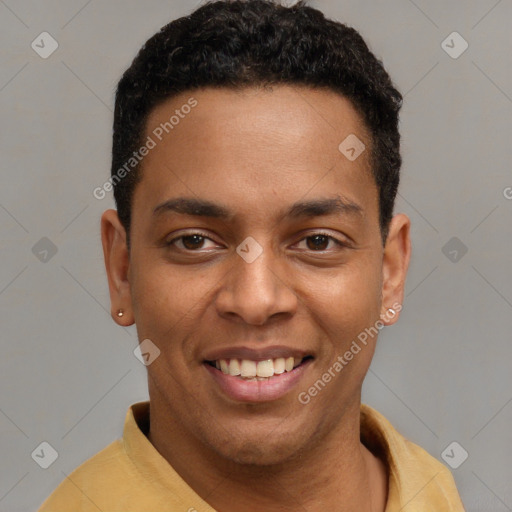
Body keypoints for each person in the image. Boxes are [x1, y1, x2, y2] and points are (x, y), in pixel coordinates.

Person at [39, 1, 465, 510]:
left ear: (391, 271)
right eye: (194, 241)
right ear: (122, 269)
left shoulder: (430, 487)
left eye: (317, 241)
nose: (256, 300)